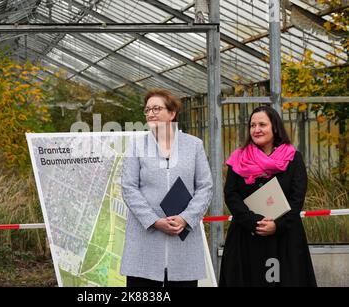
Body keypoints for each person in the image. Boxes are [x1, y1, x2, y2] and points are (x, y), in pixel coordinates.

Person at [120, 89, 213, 287]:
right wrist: (154, 221)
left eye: (156, 108)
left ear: (172, 114)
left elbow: (205, 186)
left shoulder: (194, 145)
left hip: (182, 236)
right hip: (146, 237)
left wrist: (185, 218)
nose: (150, 114)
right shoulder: (136, 146)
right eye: (147, 110)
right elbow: (129, 187)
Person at [219, 105, 316, 287]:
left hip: (284, 238)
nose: (256, 130)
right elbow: (231, 194)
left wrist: (277, 225)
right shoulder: (239, 158)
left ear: (275, 127)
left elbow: (297, 198)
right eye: (252, 125)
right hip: (246, 237)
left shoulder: (293, 158)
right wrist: (253, 221)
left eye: (262, 124)